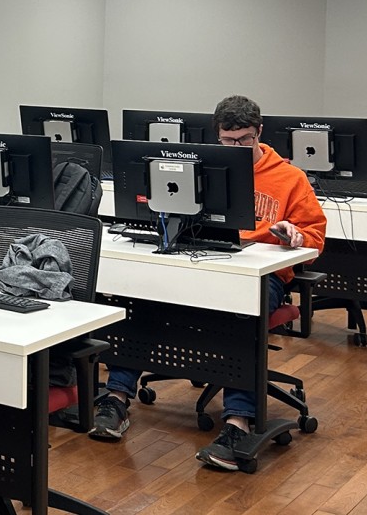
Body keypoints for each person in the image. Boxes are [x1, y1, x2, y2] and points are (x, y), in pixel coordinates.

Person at [90, 95, 327, 472]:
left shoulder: (289, 178)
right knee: (141, 300)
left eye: (244, 140)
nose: (236, 148)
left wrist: (293, 235)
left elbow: (315, 238)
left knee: (240, 312)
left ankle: (237, 422)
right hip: (203, 261)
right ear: (217, 137)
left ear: (259, 133)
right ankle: (116, 398)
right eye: (228, 141)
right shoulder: (200, 168)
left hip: (264, 276)